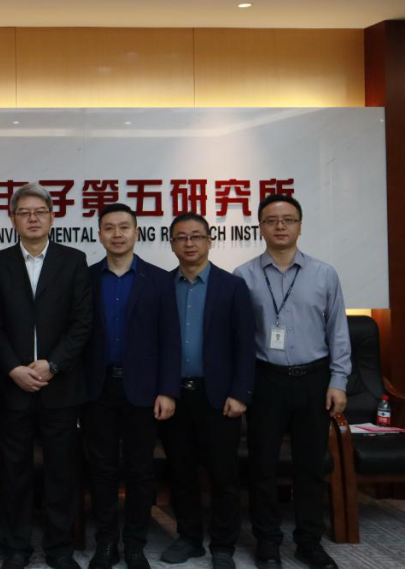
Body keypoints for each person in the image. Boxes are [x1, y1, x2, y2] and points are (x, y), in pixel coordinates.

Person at [234, 194, 351, 569]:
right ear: (260, 227)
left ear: (300, 225)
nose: (280, 226)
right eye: (271, 220)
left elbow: (337, 331)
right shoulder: (243, 276)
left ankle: (309, 542)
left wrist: (338, 380)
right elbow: (238, 338)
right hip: (265, 380)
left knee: (310, 466)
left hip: (313, 379)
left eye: (288, 219)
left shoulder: (324, 274)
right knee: (262, 466)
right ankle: (267, 542)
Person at [0, 183, 93, 569]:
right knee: (14, 471)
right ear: (12, 219)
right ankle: (16, 546)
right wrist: (13, 367)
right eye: (24, 212)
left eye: (40, 212)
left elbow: (82, 323)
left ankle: (59, 547)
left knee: (61, 471)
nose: (33, 218)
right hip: (13, 386)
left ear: (52, 217)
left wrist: (53, 364)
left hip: (59, 386)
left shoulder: (73, 261)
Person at [84, 203, 180, 569]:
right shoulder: (86, 278)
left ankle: (135, 544)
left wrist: (167, 390)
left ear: (137, 233)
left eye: (124, 227)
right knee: (101, 470)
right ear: (100, 235)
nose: (117, 234)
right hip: (97, 389)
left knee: (141, 471)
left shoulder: (159, 280)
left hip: (144, 390)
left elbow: (170, 339)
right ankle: (106, 542)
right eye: (109, 228)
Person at [158, 212, 256, 569]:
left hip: (219, 396)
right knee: (181, 471)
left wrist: (241, 393)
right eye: (181, 237)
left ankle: (223, 545)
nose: (189, 243)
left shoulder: (232, 287)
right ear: (172, 244)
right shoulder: (161, 286)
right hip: (174, 395)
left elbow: (245, 345)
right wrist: (162, 389)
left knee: (223, 474)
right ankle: (189, 538)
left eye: (196, 236)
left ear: (209, 241)